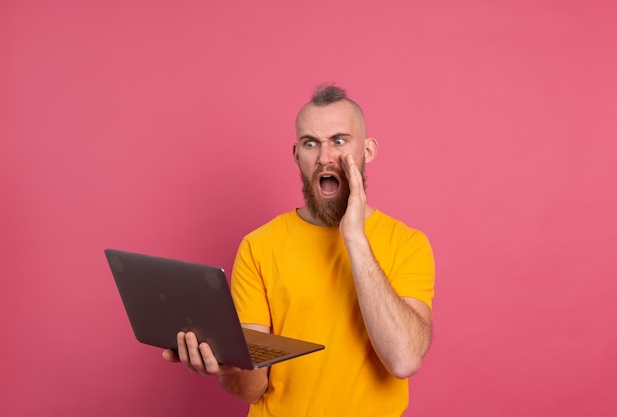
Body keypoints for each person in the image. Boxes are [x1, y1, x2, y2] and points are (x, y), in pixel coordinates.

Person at [162, 84, 435, 416]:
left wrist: (355, 238)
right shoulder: (258, 246)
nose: (324, 157)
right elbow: (254, 387)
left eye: (339, 141)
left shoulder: (408, 244)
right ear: (296, 155)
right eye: (310, 144)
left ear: (368, 149)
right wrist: (227, 369)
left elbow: (404, 359)